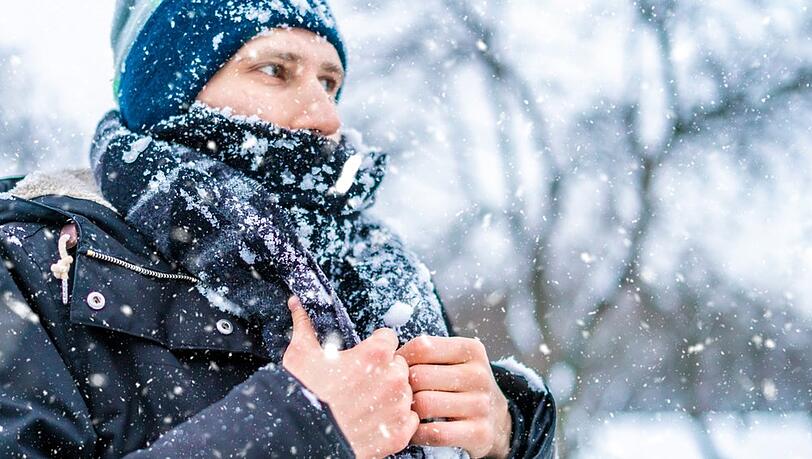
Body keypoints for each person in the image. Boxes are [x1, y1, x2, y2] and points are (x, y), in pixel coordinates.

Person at [0, 1, 556, 458]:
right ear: (170, 90)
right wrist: (297, 429)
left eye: (330, 82)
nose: (326, 117)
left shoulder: (376, 267)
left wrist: (510, 431)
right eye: (275, 70)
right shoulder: (33, 262)